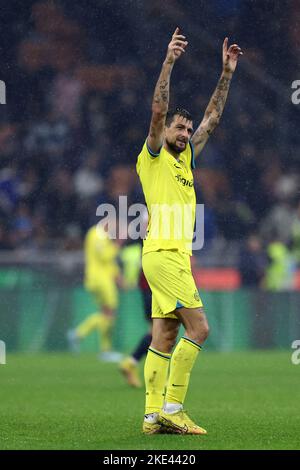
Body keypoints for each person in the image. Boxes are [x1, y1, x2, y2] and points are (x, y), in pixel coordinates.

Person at [136, 28, 242, 435]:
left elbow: (213, 117)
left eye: (186, 129)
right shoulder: (154, 156)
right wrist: (169, 61)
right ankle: (174, 408)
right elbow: (158, 110)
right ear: (164, 133)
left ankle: (151, 417)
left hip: (172, 256)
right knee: (200, 328)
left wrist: (227, 73)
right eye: (177, 128)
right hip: (163, 254)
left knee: (165, 334)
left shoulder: (187, 162)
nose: (183, 133)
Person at [67, 223, 122, 362]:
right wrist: (118, 244)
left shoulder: (98, 235)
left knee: (105, 314)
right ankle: (105, 350)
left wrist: (117, 275)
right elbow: (105, 256)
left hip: (97, 279)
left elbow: (106, 262)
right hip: (101, 280)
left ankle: (78, 334)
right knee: (110, 313)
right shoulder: (98, 235)